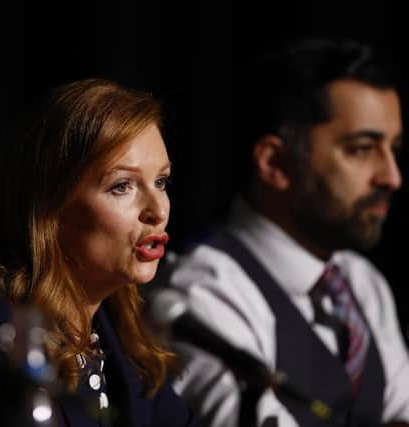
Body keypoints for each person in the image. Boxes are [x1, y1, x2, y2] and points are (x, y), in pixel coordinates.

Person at [0, 78, 199, 426]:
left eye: (161, 182)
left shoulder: (123, 343)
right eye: (122, 186)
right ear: (52, 207)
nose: (158, 210)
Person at [168, 38, 409, 427]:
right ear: (275, 163)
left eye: (394, 150)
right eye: (362, 149)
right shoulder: (202, 292)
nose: (392, 177)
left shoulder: (363, 284)